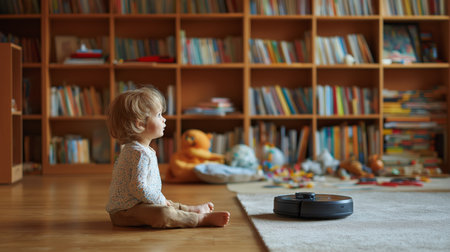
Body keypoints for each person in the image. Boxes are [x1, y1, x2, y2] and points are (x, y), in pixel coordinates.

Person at [105, 87, 230, 228]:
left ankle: (189, 209)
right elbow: (137, 187)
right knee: (163, 213)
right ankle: (199, 219)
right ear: (139, 124)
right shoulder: (139, 153)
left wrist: (160, 200)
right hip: (125, 212)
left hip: (136, 204)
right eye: (158, 115)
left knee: (166, 204)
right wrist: (160, 199)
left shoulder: (138, 149)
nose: (164, 119)